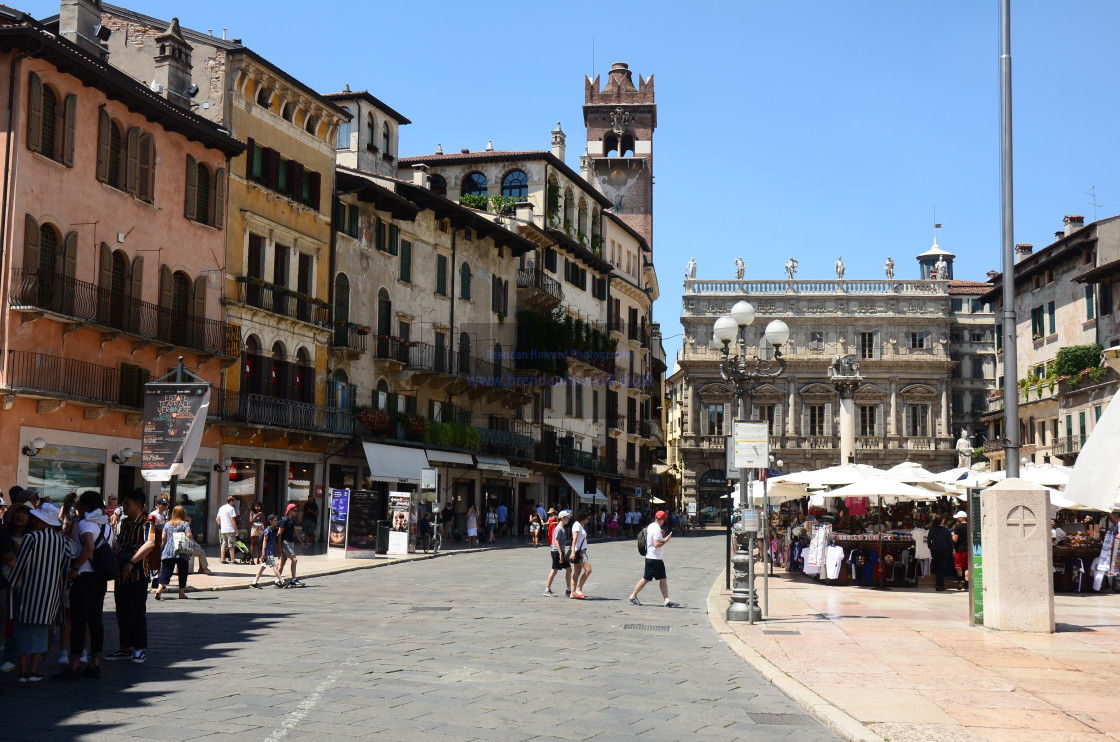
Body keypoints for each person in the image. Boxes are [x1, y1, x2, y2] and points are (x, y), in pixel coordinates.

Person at [54, 491, 113, 681]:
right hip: (100, 579)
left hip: (84, 577)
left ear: (85, 508)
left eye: (79, 506)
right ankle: (95, 662)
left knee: (79, 622)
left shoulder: (85, 523)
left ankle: (74, 664)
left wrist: (76, 567)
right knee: (95, 621)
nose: (77, 509)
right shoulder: (107, 526)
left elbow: (88, 547)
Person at [8, 503, 69, 683]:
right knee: (42, 634)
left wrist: (12, 584)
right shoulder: (61, 540)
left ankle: (23, 671)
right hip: (50, 594)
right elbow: (64, 569)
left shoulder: (31, 537)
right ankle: (34, 671)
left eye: (36, 518)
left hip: (28, 591)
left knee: (22, 631)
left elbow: (21, 564)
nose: (33, 520)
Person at [104, 490, 156, 665]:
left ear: (138, 506)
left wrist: (132, 562)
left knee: (136, 612)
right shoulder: (125, 523)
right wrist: (116, 546)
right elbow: (120, 541)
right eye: (123, 503)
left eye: (127, 504)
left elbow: (150, 543)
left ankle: (139, 649)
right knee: (122, 612)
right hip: (121, 575)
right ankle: (125, 647)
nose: (123, 507)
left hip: (138, 574)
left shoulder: (146, 524)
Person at [628, 510, 678, 607]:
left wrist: (661, 535)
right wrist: (665, 540)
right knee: (646, 578)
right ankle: (633, 596)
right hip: (653, 558)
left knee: (663, 579)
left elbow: (652, 540)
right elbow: (656, 544)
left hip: (656, 558)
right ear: (662, 520)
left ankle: (666, 600)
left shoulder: (651, 526)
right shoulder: (656, 529)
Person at [154, 506, 193, 601]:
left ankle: (159, 589)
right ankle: (181, 593)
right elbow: (189, 535)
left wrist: (160, 549)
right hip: (181, 551)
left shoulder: (167, 524)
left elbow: (163, 538)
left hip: (168, 551)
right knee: (183, 572)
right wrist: (190, 539)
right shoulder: (184, 524)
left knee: (166, 571)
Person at [543, 510, 572, 596]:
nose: (569, 519)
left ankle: (568, 589)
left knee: (568, 569)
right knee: (554, 570)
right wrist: (560, 553)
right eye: (567, 518)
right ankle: (547, 590)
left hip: (560, 551)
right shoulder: (559, 528)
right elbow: (556, 541)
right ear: (563, 518)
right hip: (556, 552)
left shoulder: (561, 528)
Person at [250, 515, 283, 588]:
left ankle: (254, 582)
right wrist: (263, 553)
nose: (276, 521)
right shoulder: (267, 530)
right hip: (268, 552)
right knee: (275, 566)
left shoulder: (273, 529)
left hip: (270, 551)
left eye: (276, 520)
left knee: (262, 567)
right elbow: (264, 542)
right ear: (270, 521)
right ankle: (281, 581)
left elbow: (274, 541)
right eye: (275, 520)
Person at [276, 503, 303, 587]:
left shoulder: (292, 520)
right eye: (294, 510)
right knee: (294, 560)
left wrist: (302, 542)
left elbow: (295, 532)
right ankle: (293, 580)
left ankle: (277, 580)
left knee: (283, 562)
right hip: (285, 542)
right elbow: (279, 534)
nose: (296, 512)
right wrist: (279, 547)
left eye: (296, 510)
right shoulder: (284, 520)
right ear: (289, 511)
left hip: (291, 542)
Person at [926, 515, 954, 591]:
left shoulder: (932, 529)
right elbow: (950, 540)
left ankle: (938, 585)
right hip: (944, 550)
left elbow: (928, 540)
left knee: (938, 567)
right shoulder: (946, 530)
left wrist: (930, 547)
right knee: (942, 568)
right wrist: (953, 549)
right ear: (941, 521)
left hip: (935, 550)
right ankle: (940, 585)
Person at [569, 510, 592, 599]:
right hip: (579, 551)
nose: (588, 520)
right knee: (588, 570)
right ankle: (579, 589)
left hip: (581, 550)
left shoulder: (580, 525)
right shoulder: (576, 525)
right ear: (583, 518)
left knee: (577, 572)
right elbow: (574, 539)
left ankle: (572, 592)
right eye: (587, 518)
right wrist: (573, 552)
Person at [215, 496, 240, 565]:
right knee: (231, 544)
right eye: (234, 502)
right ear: (231, 501)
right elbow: (232, 520)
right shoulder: (231, 508)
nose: (234, 503)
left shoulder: (221, 508)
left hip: (223, 529)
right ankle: (232, 560)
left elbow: (217, 519)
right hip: (230, 529)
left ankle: (222, 559)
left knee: (224, 544)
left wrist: (221, 525)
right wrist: (236, 529)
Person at [951, 510, 969, 590]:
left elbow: (955, 539)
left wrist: (952, 536)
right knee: (967, 567)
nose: (957, 519)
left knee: (958, 565)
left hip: (960, 549)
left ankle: (960, 579)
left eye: (958, 518)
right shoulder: (970, 526)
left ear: (961, 518)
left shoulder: (958, 526)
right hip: (969, 549)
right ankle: (967, 584)